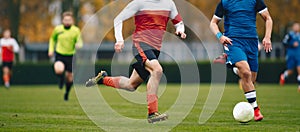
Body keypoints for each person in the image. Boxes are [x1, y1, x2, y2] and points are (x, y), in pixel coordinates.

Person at [85, 0, 186, 123]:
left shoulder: (169, 3)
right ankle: (152, 113)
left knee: (131, 85)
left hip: (155, 50)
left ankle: (103, 79)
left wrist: (180, 30)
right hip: (141, 44)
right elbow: (118, 19)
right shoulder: (139, 2)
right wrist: (120, 40)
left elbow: (178, 22)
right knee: (157, 70)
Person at [210, 0, 273, 121]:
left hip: (252, 42)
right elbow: (213, 23)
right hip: (233, 41)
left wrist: (267, 36)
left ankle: (232, 64)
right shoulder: (224, 2)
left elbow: (268, 18)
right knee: (246, 72)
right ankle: (256, 110)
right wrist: (220, 36)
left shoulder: (255, 1)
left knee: (250, 79)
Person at [48, 11, 83, 101]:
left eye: (69, 20)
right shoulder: (58, 29)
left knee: (70, 78)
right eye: (65, 20)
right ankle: (61, 79)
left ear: (72, 21)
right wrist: (51, 50)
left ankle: (67, 92)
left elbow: (80, 41)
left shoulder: (76, 30)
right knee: (59, 70)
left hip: (71, 56)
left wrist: (78, 45)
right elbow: (52, 39)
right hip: (60, 54)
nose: (67, 21)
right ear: (62, 20)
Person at [279, 22, 300, 92]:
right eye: (296, 26)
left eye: (298, 26)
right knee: (290, 71)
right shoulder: (290, 35)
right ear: (293, 27)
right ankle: (283, 76)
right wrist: (292, 44)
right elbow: (284, 42)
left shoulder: (299, 35)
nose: (297, 28)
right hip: (291, 55)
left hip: (298, 55)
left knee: (299, 69)